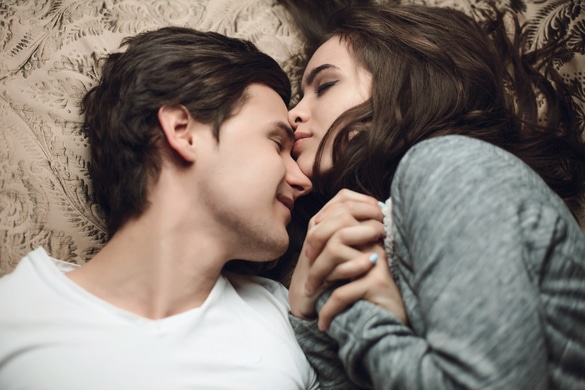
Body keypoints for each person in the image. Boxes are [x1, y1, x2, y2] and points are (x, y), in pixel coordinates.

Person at [278, 1, 585, 389]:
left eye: (324, 85)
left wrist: (364, 318)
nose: (293, 116)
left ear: (403, 85)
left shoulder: (449, 165)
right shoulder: (382, 220)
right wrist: (312, 317)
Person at [0, 27, 319, 389]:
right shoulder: (13, 319)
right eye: (277, 143)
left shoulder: (286, 320)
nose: (302, 179)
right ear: (182, 131)